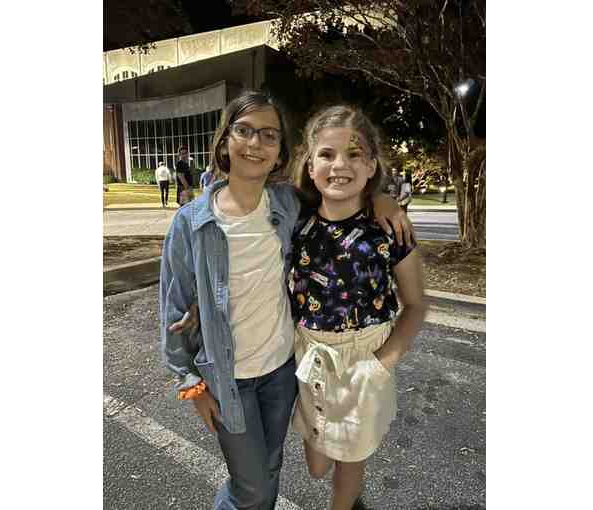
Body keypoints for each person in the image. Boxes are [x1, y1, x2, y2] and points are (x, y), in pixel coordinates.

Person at [160, 91, 414, 510]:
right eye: (244, 131)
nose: (255, 143)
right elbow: (173, 309)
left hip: (281, 371)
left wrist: (381, 197)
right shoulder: (191, 223)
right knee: (252, 488)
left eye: (269, 134)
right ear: (225, 139)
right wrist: (191, 383)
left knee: (269, 469)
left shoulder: (287, 204)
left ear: (280, 151)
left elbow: (339, 191)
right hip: (228, 379)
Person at [289, 105, 427, 510]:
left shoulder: (390, 231)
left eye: (354, 154)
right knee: (318, 466)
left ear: (371, 166)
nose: (339, 165)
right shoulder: (295, 223)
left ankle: (347, 500)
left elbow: (416, 305)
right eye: (327, 154)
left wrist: (380, 364)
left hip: (364, 357)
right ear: (310, 165)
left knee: (349, 464)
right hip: (310, 354)